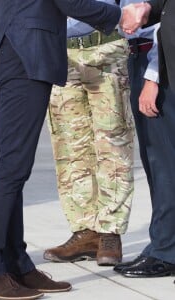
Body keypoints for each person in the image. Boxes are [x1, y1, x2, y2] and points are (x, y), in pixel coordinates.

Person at [0, 1, 124, 299]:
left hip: (21, 49)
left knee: (16, 168)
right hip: (24, 52)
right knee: (11, 167)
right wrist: (117, 15)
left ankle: (16, 264)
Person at [44, 0, 134, 268]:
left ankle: (110, 231)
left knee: (113, 144)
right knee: (69, 146)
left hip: (105, 48)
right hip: (62, 53)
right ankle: (85, 230)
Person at [114, 0, 175, 277]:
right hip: (138, 55)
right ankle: (160, 245)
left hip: (158, 61)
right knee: (155, 163)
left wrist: (154, 77)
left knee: (163, 164)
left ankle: (165, 250)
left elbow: (168, 16)